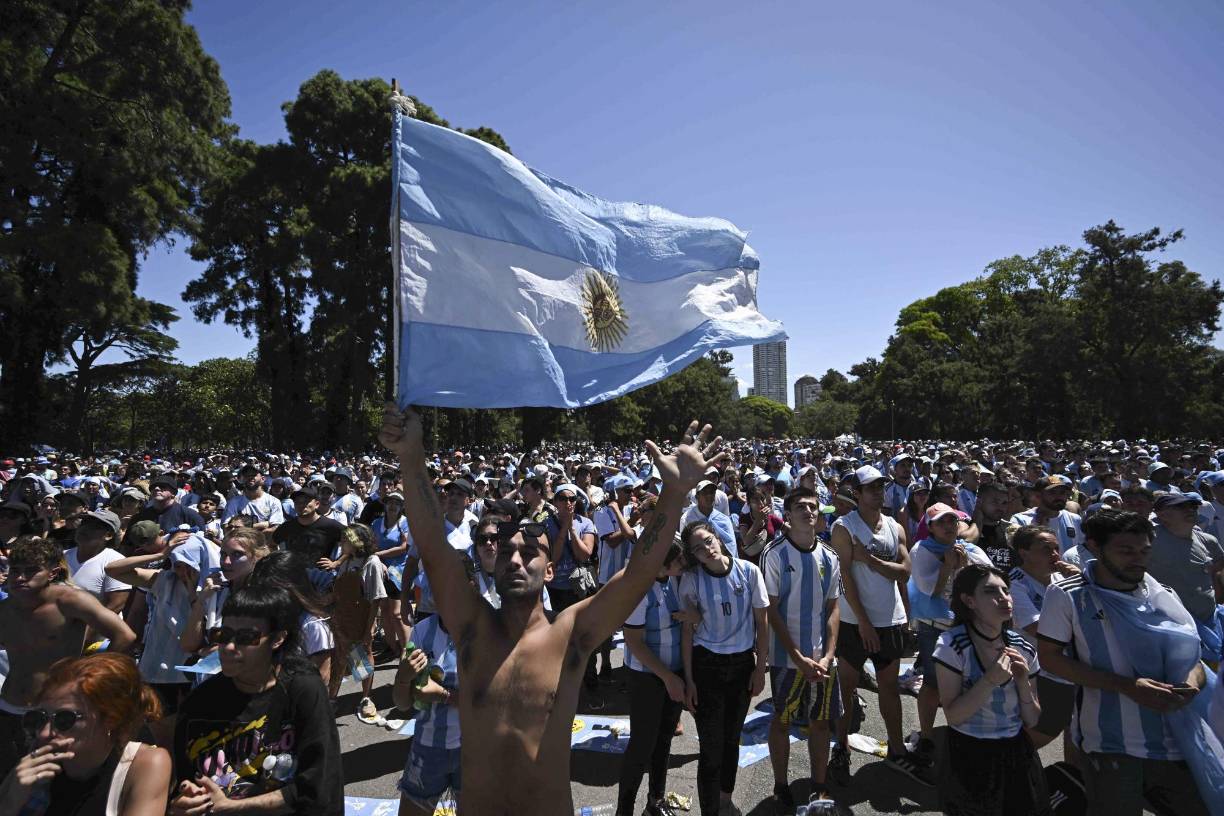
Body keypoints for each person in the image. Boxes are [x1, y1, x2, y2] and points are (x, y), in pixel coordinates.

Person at [378, 405, 725, 815]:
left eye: (530, 552)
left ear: (551, 568)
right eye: (506, 552)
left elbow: (637, 575)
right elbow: (434, 549)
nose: (515, 559)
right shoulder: (471, 627)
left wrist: (673, 493)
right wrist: (412, 456)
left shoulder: (571, 635)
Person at [1037, 509, 1211, 815]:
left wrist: (1191, 685)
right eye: (1126, 551)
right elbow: (1050, 659)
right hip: (1110, 744)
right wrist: (1126, 687)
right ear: (1094, 546)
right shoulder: (1068, 596)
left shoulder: (1164, 595)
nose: (1138, 559)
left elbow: (1194, 659)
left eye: (1144, 550)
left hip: (1177, 741)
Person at [169, 585, 343, 815]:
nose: (229, 647)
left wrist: (233, 807)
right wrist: (182, 803)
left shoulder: (303, 691)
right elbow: (184, 782)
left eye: (246, 638)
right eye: (222, 635)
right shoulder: (198, 705)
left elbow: (318, 787)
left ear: (278, 639)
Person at [0, 536, 137, 778]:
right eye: (15, 571)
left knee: (54, 783)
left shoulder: (69, 601)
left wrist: (91, 680)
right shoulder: (5, 609)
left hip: (56, 712)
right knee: (8, 782)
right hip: (9, 705)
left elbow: (124, 635)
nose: (20, 578)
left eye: (31, 571)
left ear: (52, 573)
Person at [827, 466, 927, 786]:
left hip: (890, 620)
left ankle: (897, 749)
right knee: (846, 687)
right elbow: (846, 579)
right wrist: (865, 623)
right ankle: (840, 746)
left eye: (882, 486)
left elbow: (904, 573)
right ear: (856, 493)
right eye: (871, 487)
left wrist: (869, 560)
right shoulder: (844, 527)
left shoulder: (895, 527)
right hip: (855, 622)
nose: (879, 492)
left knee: (888, 688)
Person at [934, 565, 1047, 815]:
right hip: (969, 753)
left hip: (1015, 752)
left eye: (1006, 590)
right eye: (991, 591)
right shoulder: (952, 645)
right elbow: (953, 716)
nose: (1005, 597)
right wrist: (989, 681)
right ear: (969, 601)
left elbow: (1032, 719)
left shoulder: (1023, 648)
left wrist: (1021, 683)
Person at [0, 653, 170, 816]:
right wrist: (8, 805)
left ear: (111, 719)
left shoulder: (142, 764)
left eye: (64, 719)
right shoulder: (32, 764)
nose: (45, 733)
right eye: (38, 718)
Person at [679, 520, 768, 816]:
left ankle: (725, 800)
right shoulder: (692, 579)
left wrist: (759, 670)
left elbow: (762, 625)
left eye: (708, 541)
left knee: (732, 741)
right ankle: (709, 810)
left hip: (742, 666)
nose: (706, 549)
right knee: (711, 747)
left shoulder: (749, 571)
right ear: (692, 555)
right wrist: (689, 681)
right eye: (697, 548)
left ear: (717, 537)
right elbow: (688, 634)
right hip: (708, 668)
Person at [762, 488, 842, 813]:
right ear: (788, 515)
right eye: (800, 507)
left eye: (813, 506)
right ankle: (781, 784)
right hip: (786, 659)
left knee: (820, 722)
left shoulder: (829, 555)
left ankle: (818, 785)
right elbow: (771, 609)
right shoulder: (775, 553)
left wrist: (827, 655)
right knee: (781, 720)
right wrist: (796, 655)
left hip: (822, 659)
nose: (808, 511)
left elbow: (834, 607)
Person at [906, 502, 993, 764]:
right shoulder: (922, 550)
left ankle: (967, 734)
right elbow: (930, 589)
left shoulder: (971, 549)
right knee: (933, 683)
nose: (948, 526)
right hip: (936, 627)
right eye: (941, 522)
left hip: (967, 627)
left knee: (971, 683)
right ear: (930, 527)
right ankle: (928, 737)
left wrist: (964, 566)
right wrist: (947, 566)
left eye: (952, 521)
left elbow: (990, 582)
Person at [104, 533, 221, 714]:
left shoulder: (215, 588)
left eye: (188, 565)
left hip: (189, 674)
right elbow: (112, 569)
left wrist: (194, 597)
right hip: (156, 670)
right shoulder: (164, 580)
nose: (182, 572)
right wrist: (160, 555)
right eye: (178, 565)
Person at [392, 556, 469, 816]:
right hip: (427, 748)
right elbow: (402, 703)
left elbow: (497, 702)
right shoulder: (423, 631)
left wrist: (446, 696)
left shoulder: (484, 634)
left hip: (473, 750)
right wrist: (403, 677)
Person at [616, 540, 688, 816]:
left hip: (673, 673)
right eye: (679, 562)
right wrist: (668, 677)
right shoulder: (640, 591)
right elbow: (634, 643)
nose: (684, 566)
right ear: (663, 563)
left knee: (664, 740)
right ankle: (624, 809)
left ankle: (655, 801)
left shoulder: (675, 582)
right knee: (641, 745)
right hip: (647, 677)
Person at [1007, 525, 1079, 756]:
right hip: (1040, 670)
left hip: (1070, 665)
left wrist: (1082, 582)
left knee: (1076, 729)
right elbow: (1037, 627)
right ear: (1024, 553)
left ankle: (1071, 779)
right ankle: (1005, 763)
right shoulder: (1016, 583)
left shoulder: (1063, 577)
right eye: (1046, 549)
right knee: (1045, 729)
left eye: (1056, 548)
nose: (1055, 555)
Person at [1148, 492, 1224, 663]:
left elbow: (1219, 569)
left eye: (1192, 506)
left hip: (1210, 622)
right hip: (1173, 626)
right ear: (1162, 514)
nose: (1190, 510)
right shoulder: (1149, 539)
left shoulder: (1208, 540)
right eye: (1180, 506)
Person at [179, 527, 273, 656]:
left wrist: (209, 651)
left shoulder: (266, 595)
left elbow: (258, 643)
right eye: (223, 554)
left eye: (237, 554)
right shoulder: (217, 591)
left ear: (257, 557)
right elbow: (188, 644)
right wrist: (201, 600)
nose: (226, 562)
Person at [327, 524, 387, 722]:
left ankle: (365, 698)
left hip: (360, 618)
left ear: (356, 541)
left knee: (360, 657)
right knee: (338, 659)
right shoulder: (346, 561)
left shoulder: (371, 562)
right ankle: (331, 699)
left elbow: (376, 598)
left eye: (346, 539)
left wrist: (369, 628)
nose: (342, 543)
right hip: (341, 617)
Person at [63, 509, 131, 616]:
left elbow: (115, 605)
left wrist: (87, 631)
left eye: (94, 526)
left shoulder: (117, 562)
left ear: (108, 535)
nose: (85, 528)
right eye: (84, 523)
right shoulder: (62, 556)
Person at [272, 485, 345, 565]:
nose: (301, 505)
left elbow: (355, 542)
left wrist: (337, 562)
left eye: (306, 501)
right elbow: (271, 543)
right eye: (297, 502)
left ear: (317, 504)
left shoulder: (331, 525)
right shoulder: (287, 526)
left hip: (321, 575)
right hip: (292, 574)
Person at [221, 464, 284, 530]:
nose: (249, 477)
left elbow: (275, 527)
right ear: (242, 479)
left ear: (263, 479)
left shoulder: (273, 501)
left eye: (253, 475)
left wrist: (243, 527)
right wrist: (264, 524)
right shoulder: (233, 502)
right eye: (246, 475)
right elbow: (226, 527)